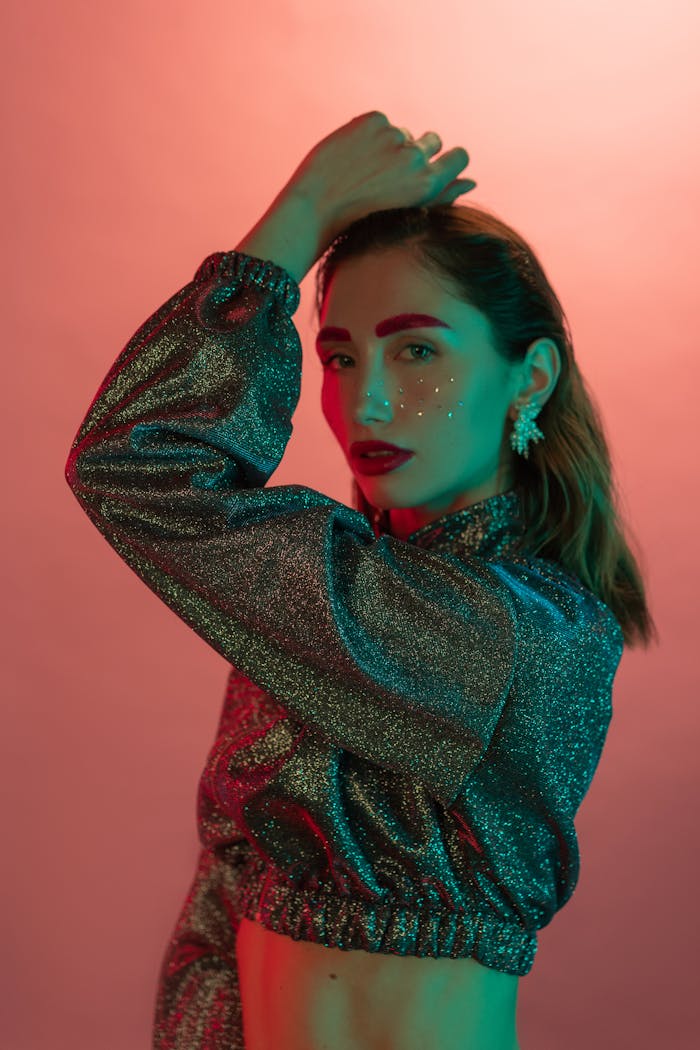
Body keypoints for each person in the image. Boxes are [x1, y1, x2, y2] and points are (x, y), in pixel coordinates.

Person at [64, 111, 656, 1050]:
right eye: (339, 356)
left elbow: (140, 467)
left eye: (416, 350)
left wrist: (298, 219)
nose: (366, 397)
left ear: (530, 377)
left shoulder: (518, 633)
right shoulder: (340, 595)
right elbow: (220, 918)